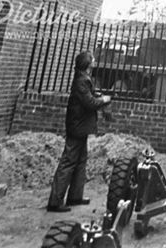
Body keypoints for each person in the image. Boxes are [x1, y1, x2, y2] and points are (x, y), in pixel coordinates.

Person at [47, 50, 111, 212]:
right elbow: (89, 103)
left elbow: (87, 96)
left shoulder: (83, 79)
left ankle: (75, 196)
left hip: (80, 127)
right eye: (93, 60)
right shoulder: (81, 80)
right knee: (68, 162)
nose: (95, 62)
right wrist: (103, 100)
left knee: (80, 161)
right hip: (77, 126)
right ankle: (55, 201)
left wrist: (95, 94)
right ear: (87, 64)